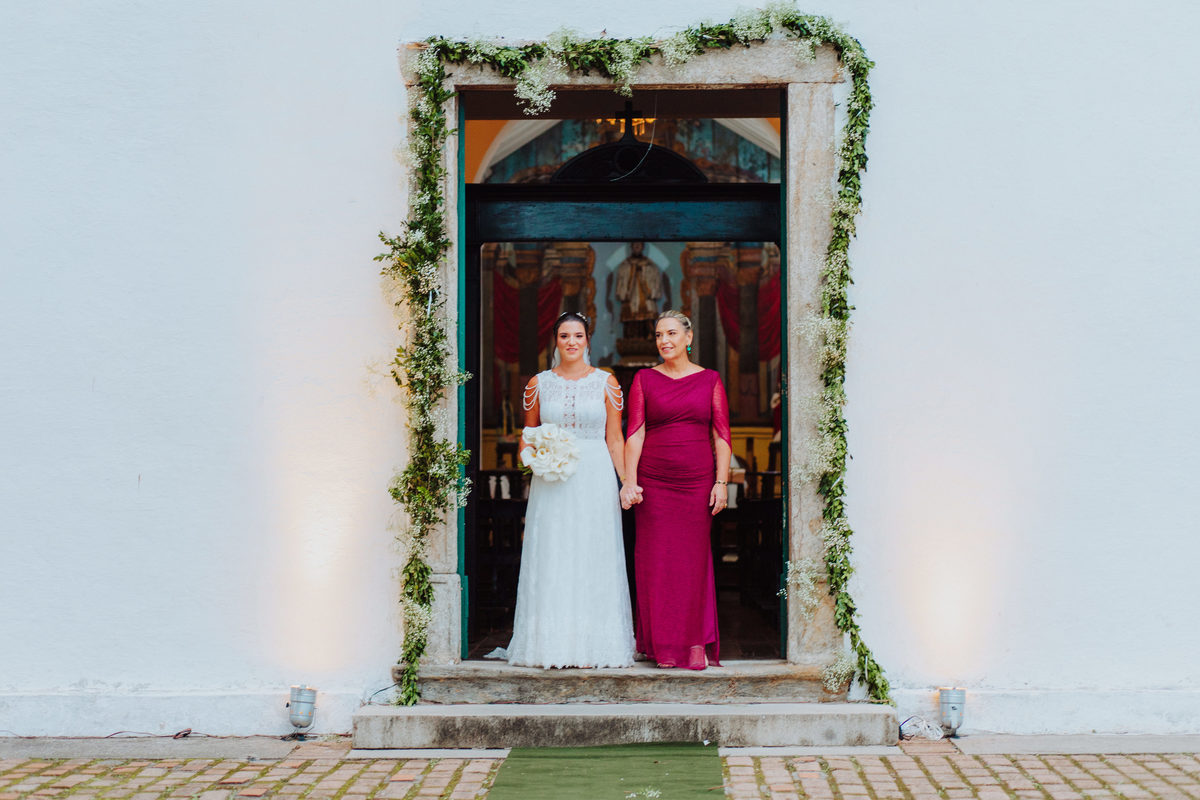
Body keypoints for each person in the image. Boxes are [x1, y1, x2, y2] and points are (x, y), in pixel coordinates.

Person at [504, 312, 636, 668]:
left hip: (594, 476)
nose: (572, 342)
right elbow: (527, 439)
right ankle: (551, 645)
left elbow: (614, 437)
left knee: (594, 553)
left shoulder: (606, 383)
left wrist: (626, 481)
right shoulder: (538, 384)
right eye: (565, 336)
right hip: (553, 482)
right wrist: (535, 459)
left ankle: (596, 645)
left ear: (588, 340)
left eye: (578, 335)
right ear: (556, 341)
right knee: (554, 553)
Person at [621, 310, 732, 670]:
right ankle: (661, 646)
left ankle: (694, 644)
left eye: (671, 333)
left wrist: (721, 482)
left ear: (689, 337)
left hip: (697, 484)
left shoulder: (711, 380)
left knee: (692, 563)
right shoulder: (643, 379)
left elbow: (721, 435)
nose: (664, 340)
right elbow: (635, 432)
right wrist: (629, 481)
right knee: (655, 562)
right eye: (658, 335)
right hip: (654, 484)